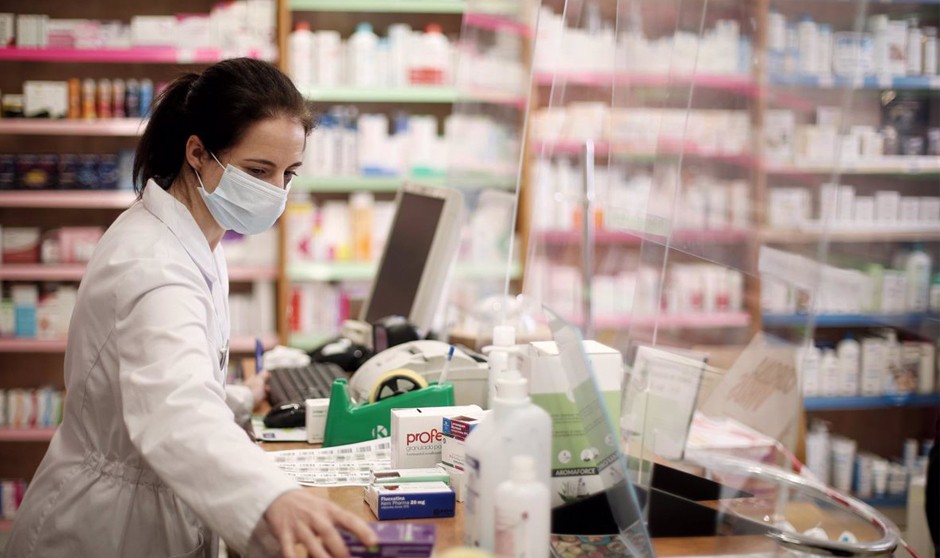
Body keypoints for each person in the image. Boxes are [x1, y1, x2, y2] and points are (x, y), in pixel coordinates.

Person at [4, 58, 377, 558]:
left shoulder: (195, 237)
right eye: (257, 171)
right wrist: (273, 498)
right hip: (107, 530)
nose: (275, 191)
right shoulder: (154, 263)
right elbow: (173, 410)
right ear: (198, 153)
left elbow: (163, 375)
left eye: (288, 173)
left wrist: (239, 397)